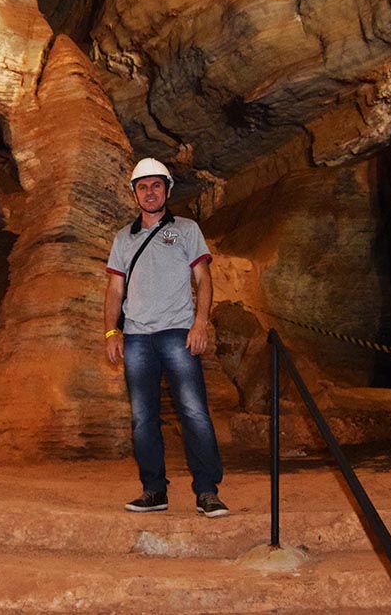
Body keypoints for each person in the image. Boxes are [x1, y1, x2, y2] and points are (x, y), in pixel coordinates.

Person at [103, 158, 229, 518]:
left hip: (177, 332)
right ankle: (154, 491)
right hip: (138, 337)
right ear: (134, 194)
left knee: (194, 413)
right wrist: (113, 330)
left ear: (168, 189)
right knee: (143, 418)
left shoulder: (186, 230)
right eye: (142, 187)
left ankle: (207, 492)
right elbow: (114, 289)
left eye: (156, 185)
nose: (150, 192)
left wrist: (201, 322)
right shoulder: (123, 238)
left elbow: (203, 279)